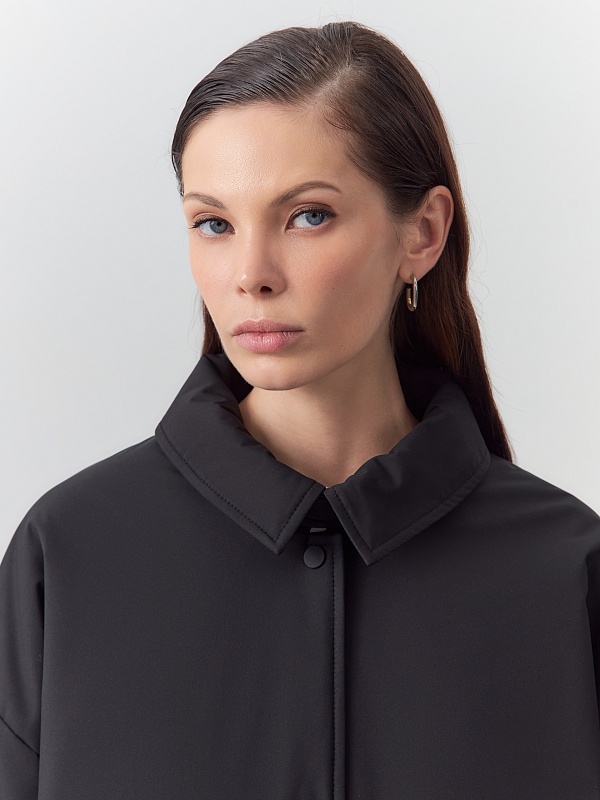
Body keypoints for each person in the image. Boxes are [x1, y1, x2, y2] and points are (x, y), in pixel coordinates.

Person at [1, 19, 599, 800]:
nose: (251, 273)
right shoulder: (68, 556)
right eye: (214, 223)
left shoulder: (564, 572)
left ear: (422, 234)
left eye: (308, 215)